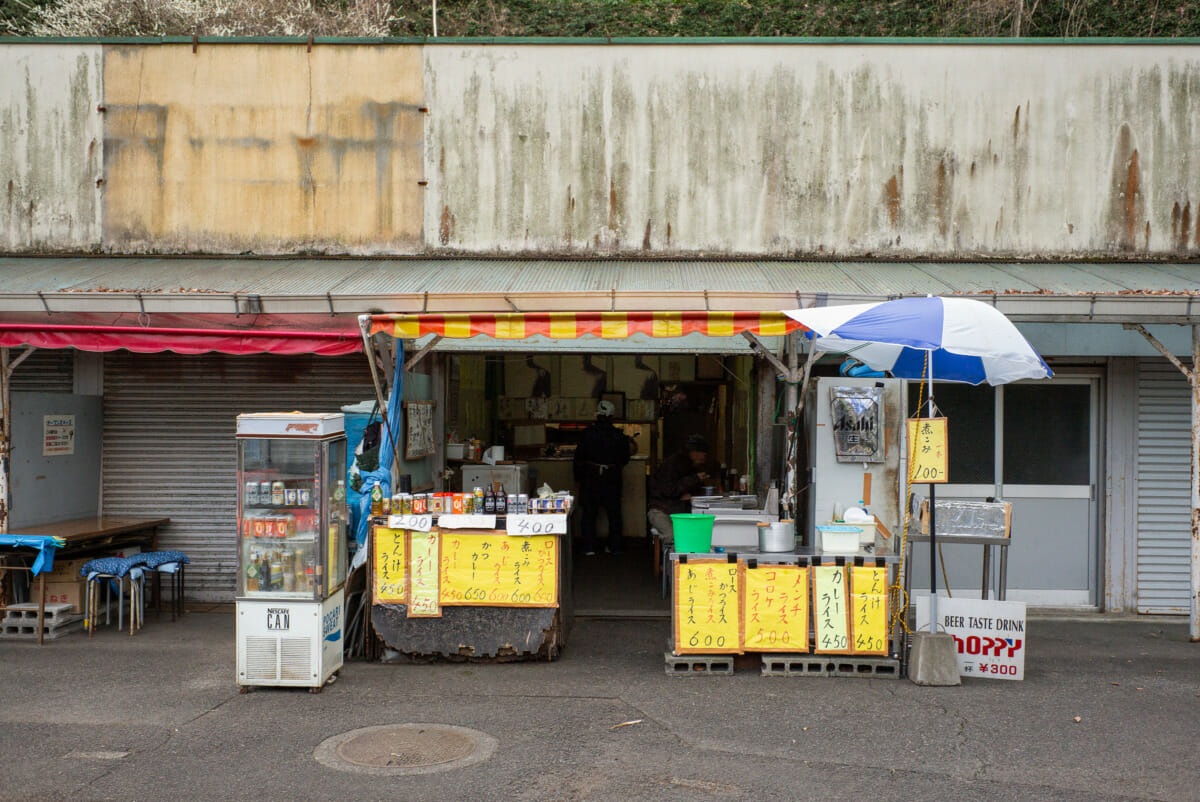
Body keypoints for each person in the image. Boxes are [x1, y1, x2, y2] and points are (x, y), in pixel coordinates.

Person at [573, 400, 631, 556]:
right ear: (612, 416)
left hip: (590, 477)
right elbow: (625, 459)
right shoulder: (619, 435)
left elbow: (578, 458)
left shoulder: (587, 434)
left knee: (589, 513)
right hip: (612, 477)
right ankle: (615, 546)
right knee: (614, 513)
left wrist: (578, 477)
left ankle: (589, 546)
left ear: (597, 414)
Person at [647, 434, 710, 539]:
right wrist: (694, 479)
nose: (704, 457)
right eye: (703, 453)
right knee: (671, 537)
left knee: (695, 534)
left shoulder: (692, 466)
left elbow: (689, 492)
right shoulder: (672, 465)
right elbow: (668, 490)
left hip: (679, 510)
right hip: (662, 510)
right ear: (694, 453)